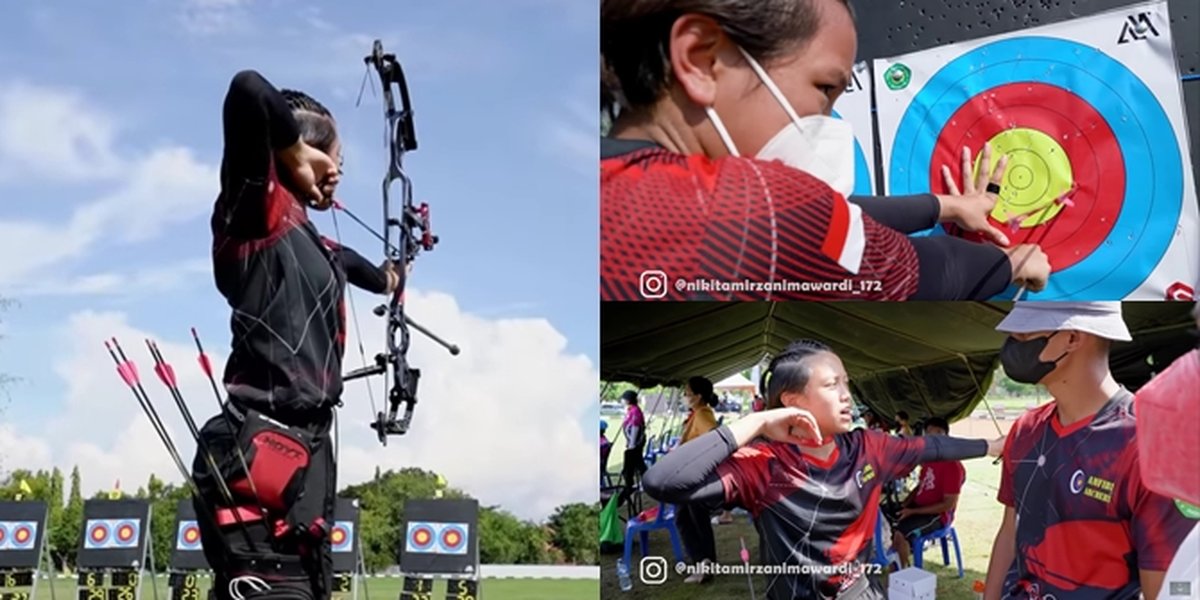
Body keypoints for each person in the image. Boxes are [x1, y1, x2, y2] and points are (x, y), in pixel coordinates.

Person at [600, 0, 1051, 301]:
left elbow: (833, 215)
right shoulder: (758, 209)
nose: (830, 119)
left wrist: (948, 207)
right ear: (700, 60)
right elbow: (923, 270)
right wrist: (1014, 261)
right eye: (824, 88)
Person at [191, 69, 400, 600]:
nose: (337, 174)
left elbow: (354, 265)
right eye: (333, 160)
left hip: (306, 450)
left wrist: (395, 275)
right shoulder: (254, 211)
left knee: (311, 589)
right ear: (295, 151)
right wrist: (291, 148)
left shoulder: (309, 240)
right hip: (257, 447)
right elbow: (246, 89)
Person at [643, 340, 1004, 599]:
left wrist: (991, 446)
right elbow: (662, 482)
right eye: (833, 385)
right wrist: (757, 421)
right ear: (793, 401)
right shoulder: (763, 463)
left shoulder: (868, 447)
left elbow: (931, 446)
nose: (847, 394)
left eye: (846, 383)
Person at [983, 302, 1192, 600]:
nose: (1012, 342)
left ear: (1072, 337)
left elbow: (1165, 586)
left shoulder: (1151, 444)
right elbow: (1009, 531)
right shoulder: (1024, 430)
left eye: (1024, 334)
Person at [885, 417, 964, 568]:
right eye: (929, 434)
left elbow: (948, 505)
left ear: (946, 436)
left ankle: (901, 575)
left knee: (901, 532)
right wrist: (904, 504)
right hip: (917, 508)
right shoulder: (930, 459)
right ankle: (893, 562)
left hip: (937, 516)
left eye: (938, 434)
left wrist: (913, 512)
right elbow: (920, 486)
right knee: (883, 515)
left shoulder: (953, 466)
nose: (933, 439)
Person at [676, 376, 722, 582]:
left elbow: (713, 439)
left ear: (698, 396)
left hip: (693, 477)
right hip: (689, 476)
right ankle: (703, 563)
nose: (685, 396)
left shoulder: (703, 415)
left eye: (687, 393)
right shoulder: (698, 414)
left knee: (693, 521)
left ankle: (704, 565)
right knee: (687, 520)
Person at [619, 390, 649, 506]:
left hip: (635, 443)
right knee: (638, 464)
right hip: (633, 442)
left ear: (628, 400)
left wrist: (632, 444)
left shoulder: (635, 411)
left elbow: (635, 427)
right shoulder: (631, 410)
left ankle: (629, 488)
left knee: (633, 466)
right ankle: (639, 485)